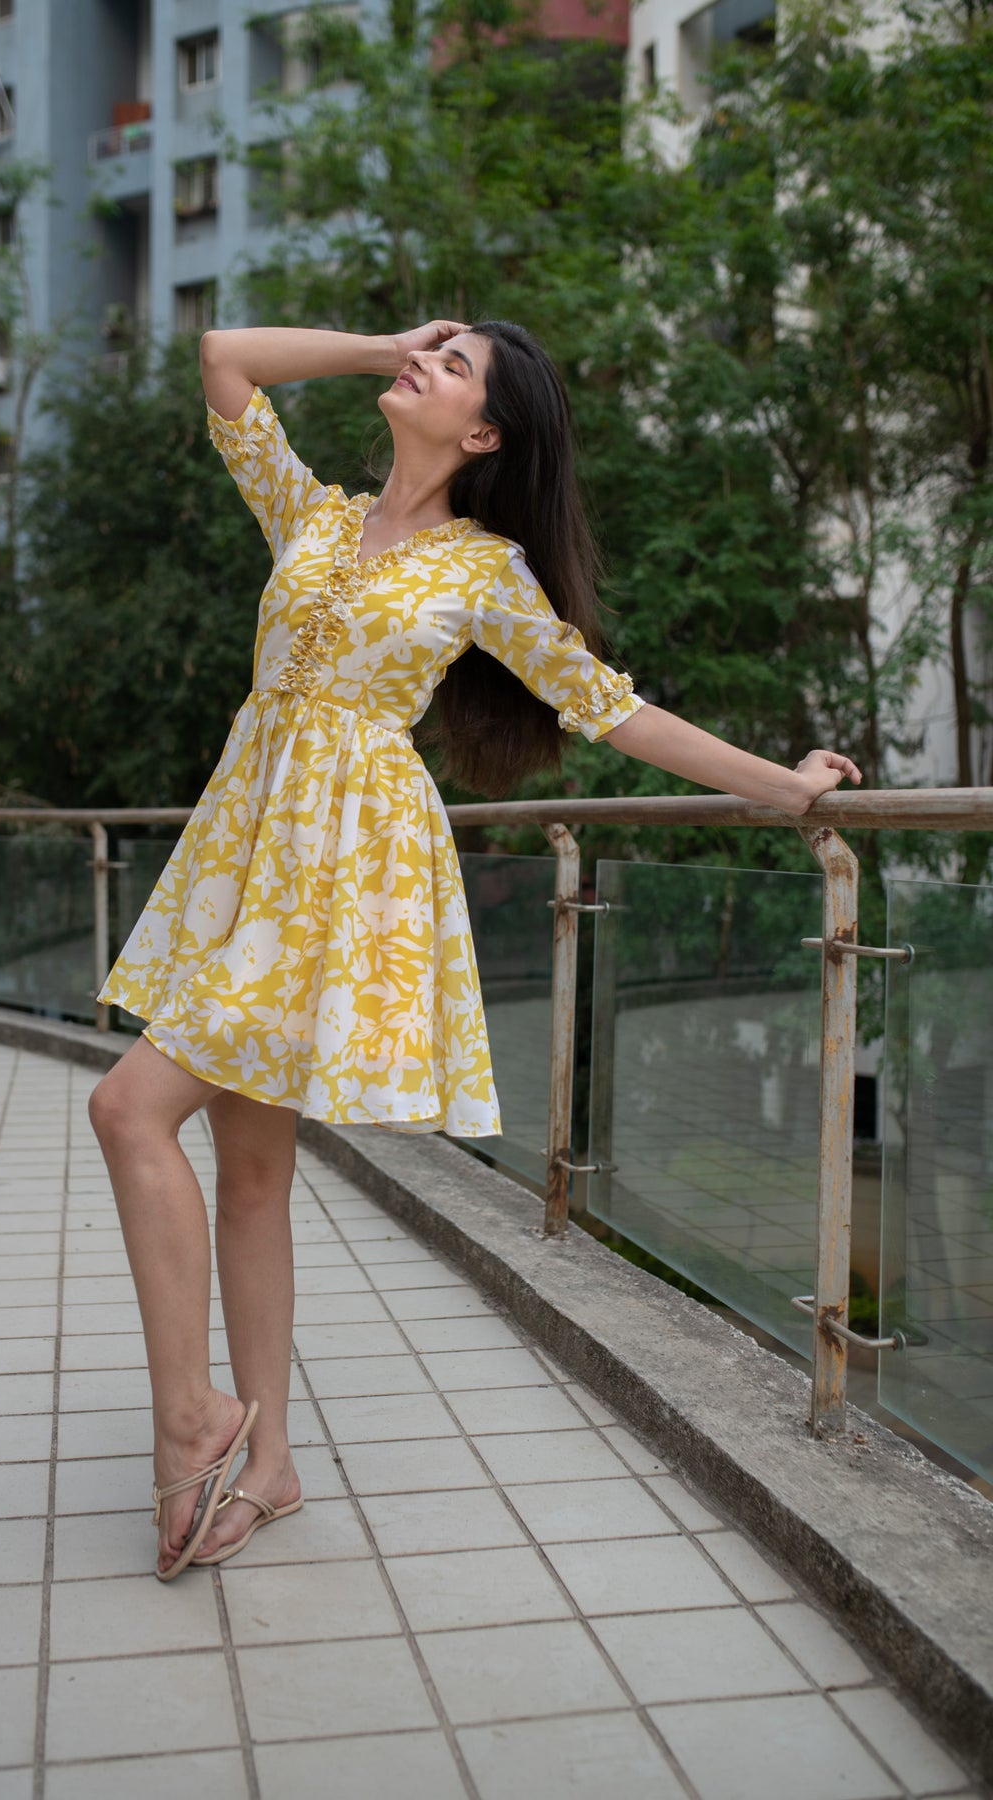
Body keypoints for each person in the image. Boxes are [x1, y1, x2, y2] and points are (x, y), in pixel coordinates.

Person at [89, 320, 861, 1580]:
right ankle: (269, 1462)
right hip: (248, 853)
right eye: (431, 355)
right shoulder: (313, 516)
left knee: (128, 1110)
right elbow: (225, 356)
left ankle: (191, 1416)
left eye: (456, 369)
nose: (427, 368)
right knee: (250, 1173)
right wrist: (384, 346)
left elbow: (610, 707)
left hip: (339, 878)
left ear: (487, 433)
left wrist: (784, 787)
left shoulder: (484, 568)